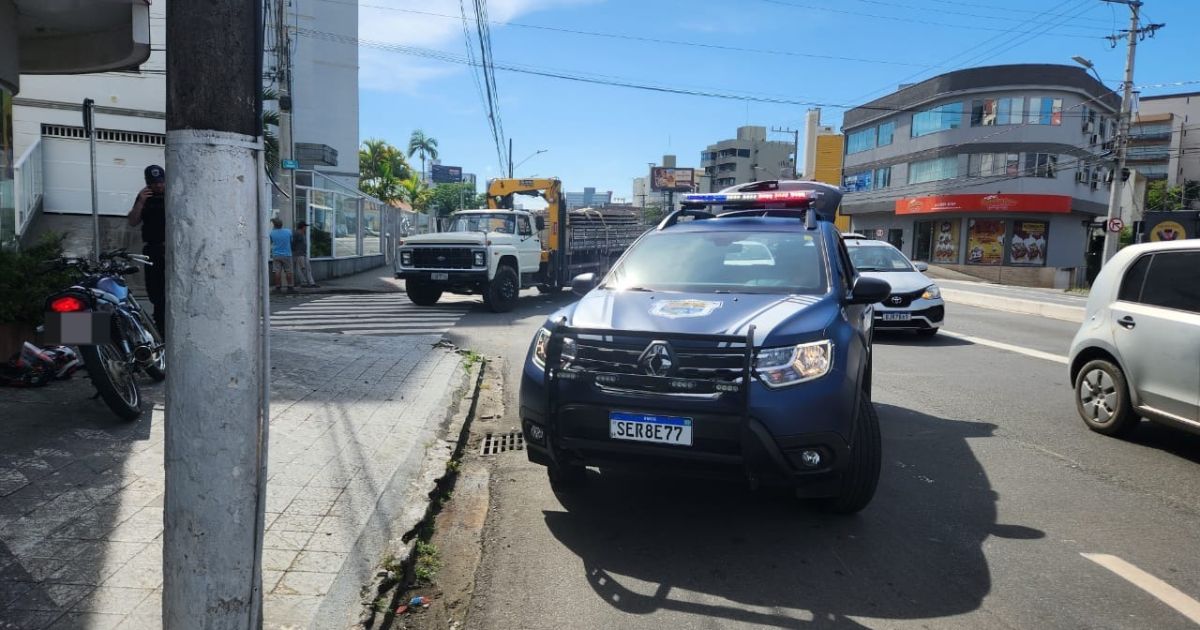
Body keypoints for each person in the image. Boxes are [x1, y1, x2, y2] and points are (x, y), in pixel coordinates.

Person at [127, 165, 167, 333]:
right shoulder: (144, 197)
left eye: (160, 182)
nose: (158, 186)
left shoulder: (173, 193)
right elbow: (133, 221)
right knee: (155, 293)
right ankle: (160, 329)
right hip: (153, 249)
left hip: (171, 250)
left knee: (169, 292)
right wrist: (141, 202)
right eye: (153, 183)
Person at [269, 218, 295, 293]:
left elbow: (271, 242)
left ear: (274, 225)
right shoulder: (288, 231)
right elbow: (291, 241)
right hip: (287, 254)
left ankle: (278, 287)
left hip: (276, 254)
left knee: (277, 272)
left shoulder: (272, 233)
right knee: (288, 271)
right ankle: (290, 287)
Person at [292, 221, 318, 288]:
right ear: (302, 227)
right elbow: (293, 244)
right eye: (305, 227)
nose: (306, 228)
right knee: (302, 269)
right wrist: (295, 251)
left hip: (302, 254)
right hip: (299, 254)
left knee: (306, 268)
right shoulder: (297, 233)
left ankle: (309, 282)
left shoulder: (302, 233)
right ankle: (306, 283)